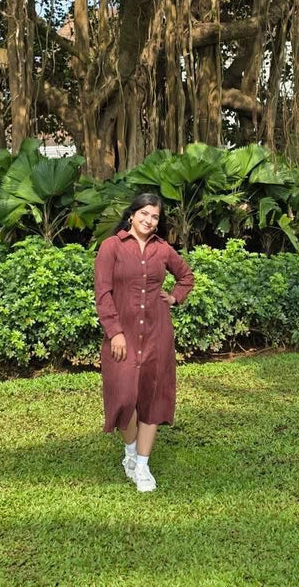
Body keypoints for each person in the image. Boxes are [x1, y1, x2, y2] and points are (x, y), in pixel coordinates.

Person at [94, 193, 194, 492]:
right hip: (122, 335)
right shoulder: (111, 247)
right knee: (124, 397)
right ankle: (129, 452)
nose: (149, 221)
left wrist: (174, 297)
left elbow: (186, 277)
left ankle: (142, 466)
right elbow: (103, 293)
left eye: (155, 217)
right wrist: (115, 332)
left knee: (152, 397)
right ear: (132, 214)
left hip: (157, 333)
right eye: (145, 214)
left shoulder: (163, 250)